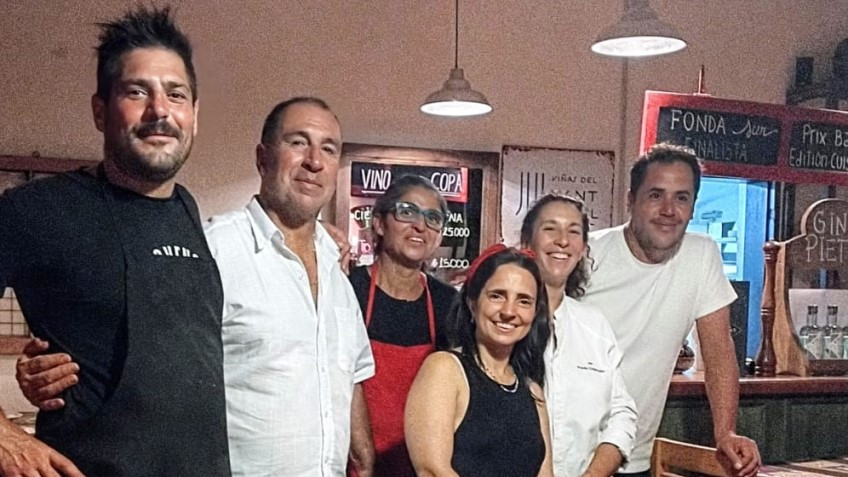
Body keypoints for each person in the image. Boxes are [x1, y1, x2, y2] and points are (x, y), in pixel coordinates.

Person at [0, 6, 230, 476]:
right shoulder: (36, 209)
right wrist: (3, 435)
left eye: (176, 94)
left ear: (194, 115)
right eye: (136, 91)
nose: (159, 110)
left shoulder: (186, 208)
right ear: (100, 111)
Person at [205, 96, 375, 477]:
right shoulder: (217, 249)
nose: (314, 161)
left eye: (328, 149)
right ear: (262, 158)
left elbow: (349, 373)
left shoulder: (336, 266)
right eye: (298, 142)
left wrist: (364, 459)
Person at [582, 143, 761, 477]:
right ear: (631, 200)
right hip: (564, 453)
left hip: (632, 454)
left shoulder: (702, 254)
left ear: (693, 207)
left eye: (681, 197)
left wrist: (725, 432)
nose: (668, 209)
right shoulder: (586, 255)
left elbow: (719, 351)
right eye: (655, 195)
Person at [405, 245, 554, 477]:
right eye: (497, 296)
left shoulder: (532, 390)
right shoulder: (445, 369)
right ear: (472, 302)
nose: (509, 311)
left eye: (524, 301)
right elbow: (432, 470)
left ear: (535, 313)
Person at [347, 174, 458, 476]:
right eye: (407, 212)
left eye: (433, 218)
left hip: (422, 465)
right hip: (355, 463)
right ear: (379, 223)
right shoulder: (348, 289)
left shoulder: (448, 303)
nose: (420, 226)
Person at [520, 194, 637, 477]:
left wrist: (593, 475)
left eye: (573, 232)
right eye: (550, 228)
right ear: (527, 242)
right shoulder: (503, 322)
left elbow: (621, 415)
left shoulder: (594, 326)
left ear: (583, 248)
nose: (562, 240)